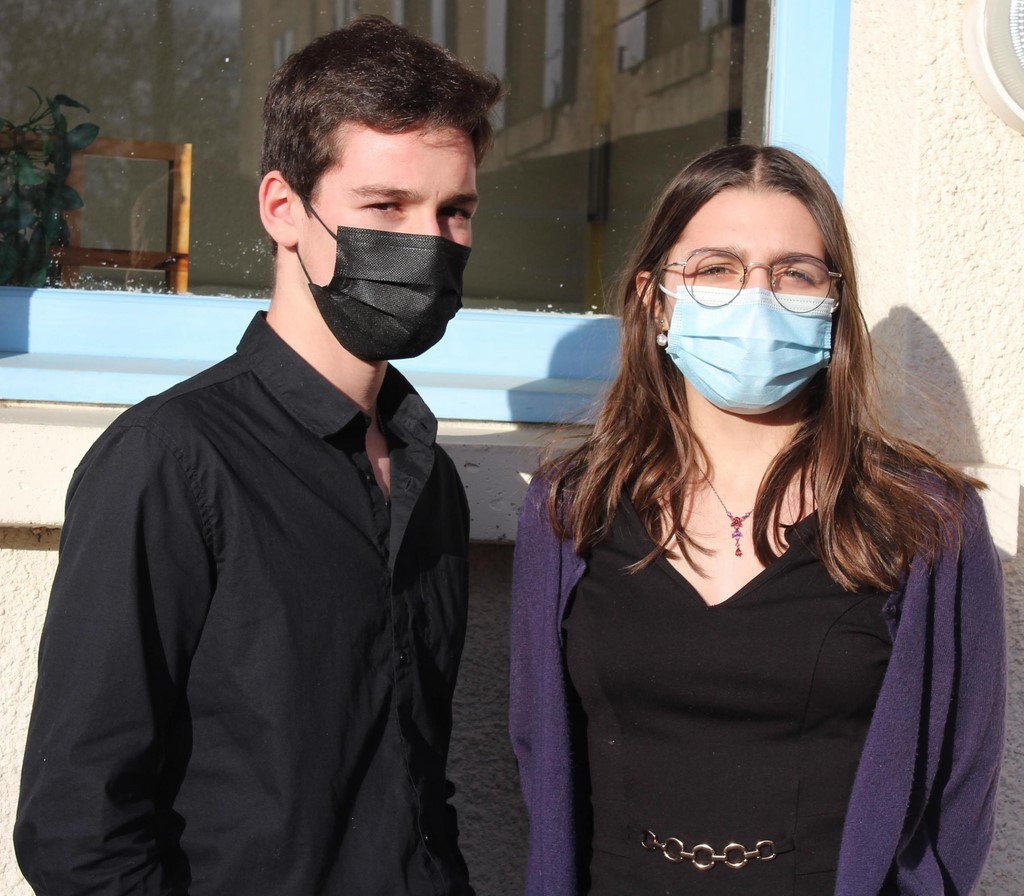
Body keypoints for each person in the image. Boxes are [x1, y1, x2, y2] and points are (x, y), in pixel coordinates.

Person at [15, 16, 502, 896]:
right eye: (385, 206)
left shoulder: (428, 477)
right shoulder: (171, 462)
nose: (429, 241)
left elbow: (415, 783)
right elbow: (79, 830)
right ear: (284, 209)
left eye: (454, 211)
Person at [509, 144, 1005, 896]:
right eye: (717, 268)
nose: (757, 300)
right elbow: (537, 748)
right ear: (654, 297)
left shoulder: (925, 519)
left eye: (795, 274)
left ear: (834, 302)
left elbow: (957, 791)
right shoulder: (571, 507)